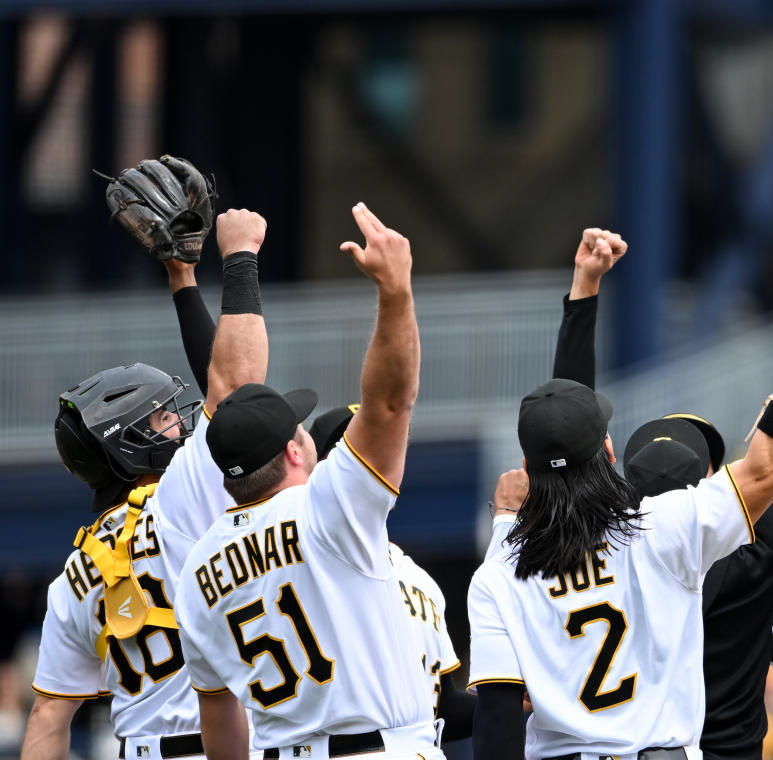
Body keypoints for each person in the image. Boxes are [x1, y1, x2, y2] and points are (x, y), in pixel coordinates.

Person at [484, 222, 773, 758]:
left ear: (618, 469)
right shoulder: (684, 534)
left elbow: (567, 437)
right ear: (710, 479)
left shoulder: (518, 560)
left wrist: (584, 293)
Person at [174, 203, 441, 760]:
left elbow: (218, 717)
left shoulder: (197, 568)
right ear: (295, 450)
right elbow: (390, 403)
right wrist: (395, 291)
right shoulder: (328, 507)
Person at [22, 208, 271, 760]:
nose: (178, 423)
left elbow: (48, 714)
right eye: (160, 419)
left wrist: (182, 278)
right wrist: (239, 260)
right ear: (128, 445)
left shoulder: (75, 572)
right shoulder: (178, 503)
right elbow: (236, 390)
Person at [307, 403, 476, 744]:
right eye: (367, 451)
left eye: (391, 446)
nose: (384, 459)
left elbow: (441, 709)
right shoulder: (306, 564)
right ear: (326, 471)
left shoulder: (420, 580)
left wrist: (507, 698)